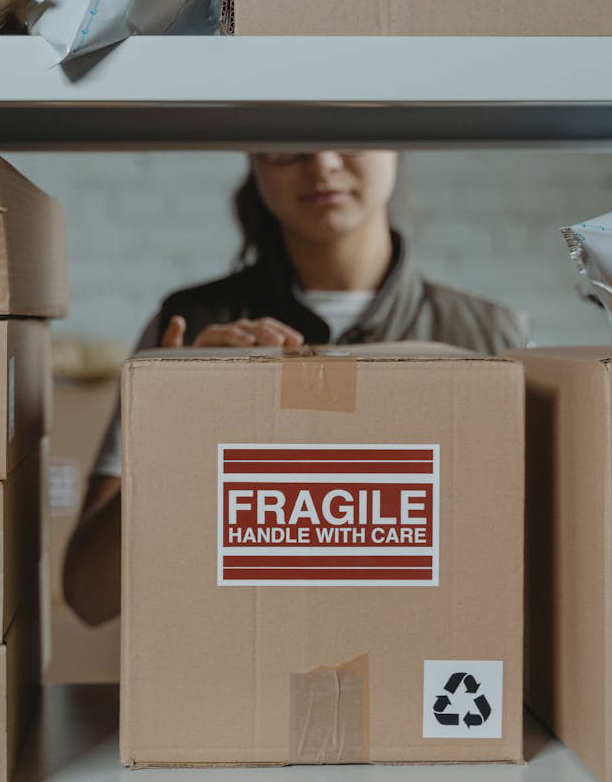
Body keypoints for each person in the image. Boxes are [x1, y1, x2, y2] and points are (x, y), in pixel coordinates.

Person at [64, 150, 530, 626]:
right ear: (254, 156)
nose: (322, 162)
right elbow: (89, 595)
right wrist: (178, 428)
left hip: (423, 675)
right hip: (233, 678)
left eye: (348, 132)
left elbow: (531, 579)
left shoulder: (490, 340)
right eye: (288, 139)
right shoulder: (189, 328)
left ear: (396, 141)